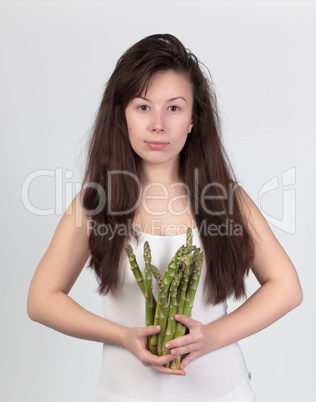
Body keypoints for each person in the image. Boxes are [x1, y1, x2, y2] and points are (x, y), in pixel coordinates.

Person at [27, 34, 303, 402]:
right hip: (123, 394)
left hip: (224, 393)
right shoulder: (94, 204)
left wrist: (213, 336)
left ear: (193, 120)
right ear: (122, 115)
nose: (158, 124)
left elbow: (287, 287)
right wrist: (122, 335)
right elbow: (41, 299)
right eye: (143, 107)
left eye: (174, 108)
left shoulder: (226, 199)